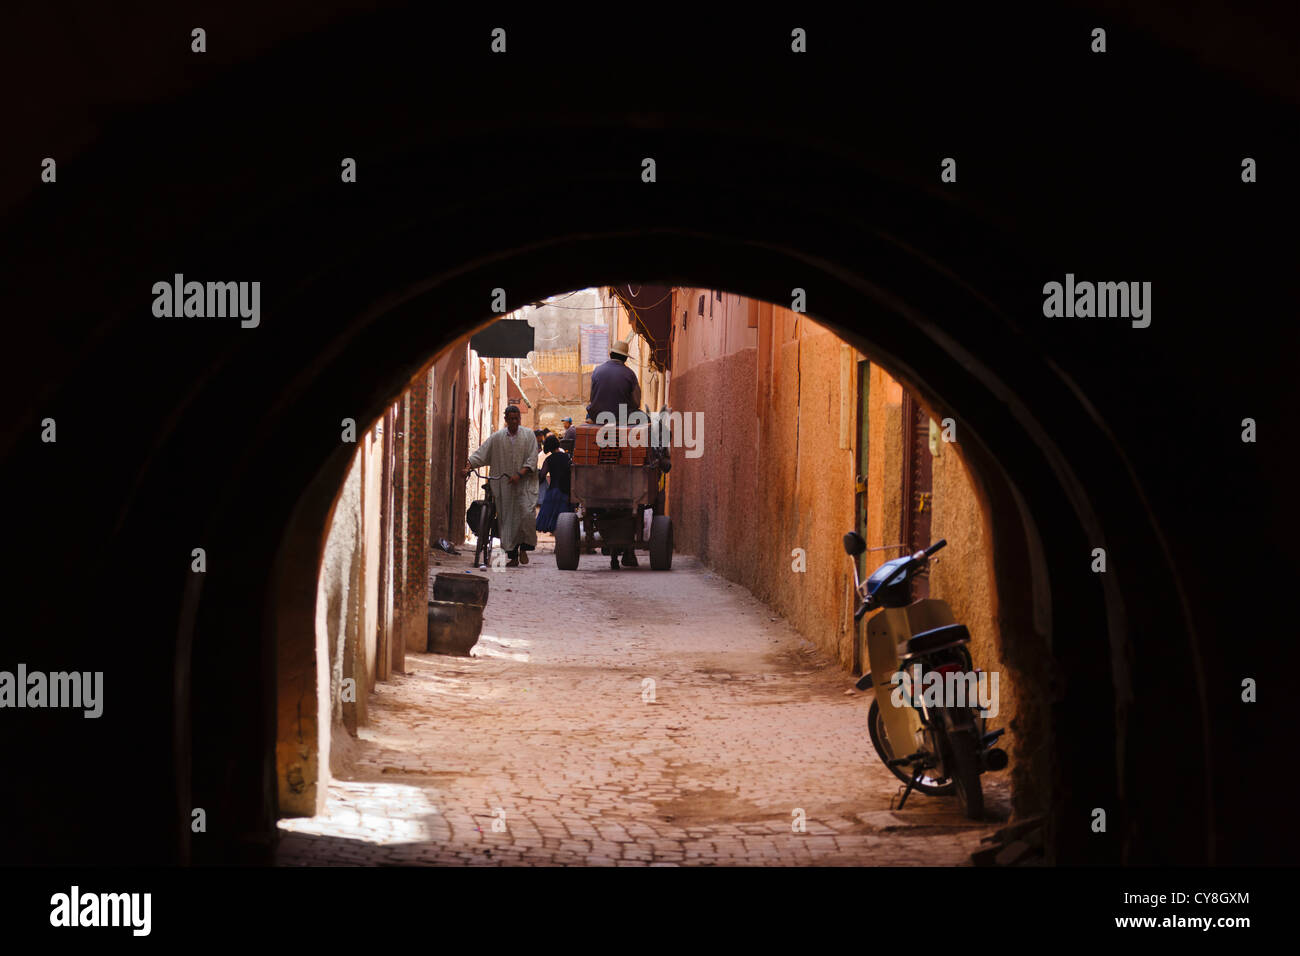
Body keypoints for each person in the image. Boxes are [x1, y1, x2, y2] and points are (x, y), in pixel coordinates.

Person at [463, 405, 538, 567]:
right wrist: (468, 467)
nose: (514, 421)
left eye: (516, 418)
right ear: (506, 420)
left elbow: (532, 459)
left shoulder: (529, 435)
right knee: (507, 520)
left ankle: (523, 548)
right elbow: (481, 454)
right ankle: (513, 556)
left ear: (520, 419)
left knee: (526, 514)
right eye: (511, 418)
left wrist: (520, 474)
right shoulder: (497, 438)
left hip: (524, 485)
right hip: (504, 486)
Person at [586, 338, 641, 424]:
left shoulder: (597, 370)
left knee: (589, 413)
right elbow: (636, 403)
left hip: (597, 416)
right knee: (646, 417)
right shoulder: (630, 374)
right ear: (625, 358)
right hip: (621, 417)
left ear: (610, 354)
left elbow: (592, 398)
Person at [535, 434, 575, 533]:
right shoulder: (567, 457)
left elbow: (542, 476)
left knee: (552, 518)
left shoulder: (548, 460)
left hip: (554, 491)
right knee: (565, 521)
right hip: (566, 490)